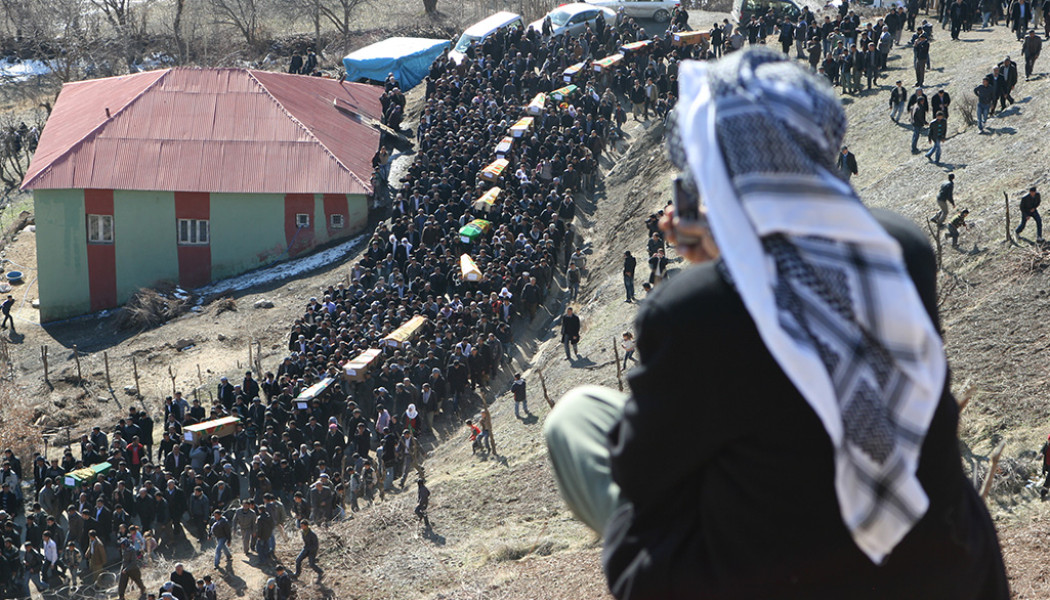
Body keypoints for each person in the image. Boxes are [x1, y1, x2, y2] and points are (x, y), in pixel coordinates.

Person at [545, 48, 1009, 600]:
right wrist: (729, 257)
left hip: (772, 575)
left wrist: (712, 269)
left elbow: (640, 470)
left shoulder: (688, 310)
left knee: (576, 419)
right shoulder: (904, 248)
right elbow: (805, 288)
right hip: (941, 564)